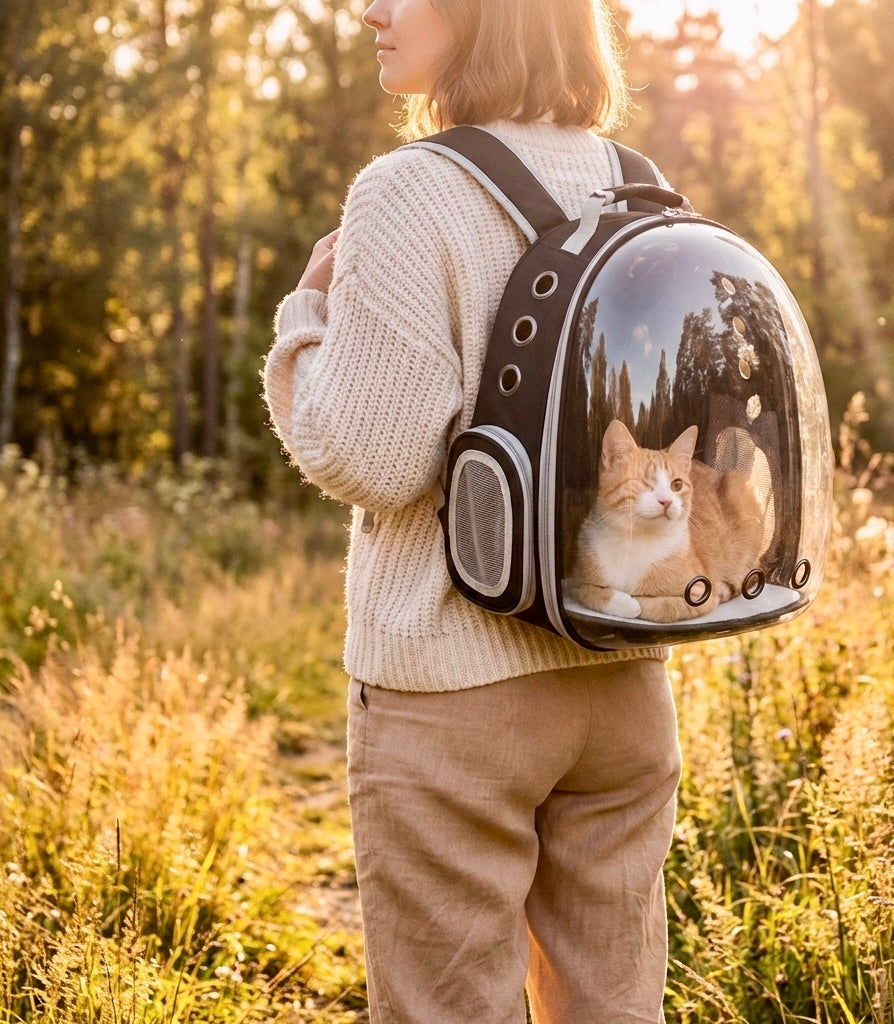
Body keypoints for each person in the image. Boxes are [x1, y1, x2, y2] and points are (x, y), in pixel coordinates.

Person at [262, 0, 682, 1020]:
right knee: (612, 1004)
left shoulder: (410, 189)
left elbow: (371, 457)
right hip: (622, 684)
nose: (372, 10)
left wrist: (304, 320)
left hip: (454, 693)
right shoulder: (640, 184)